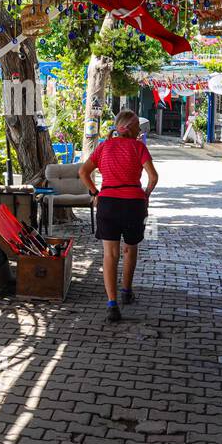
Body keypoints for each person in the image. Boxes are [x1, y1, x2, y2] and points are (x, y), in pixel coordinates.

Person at [79, 109, 159, 323]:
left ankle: (112, 304)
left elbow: (83, 172)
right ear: (134, 130)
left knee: (110, 254)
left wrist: (95, 193)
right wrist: (146, 194)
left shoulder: (104, 147)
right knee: (130, 248)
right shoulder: (139, 147)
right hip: (134, 204)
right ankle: (126, 291)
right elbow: (153, 177)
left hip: (108, 204)